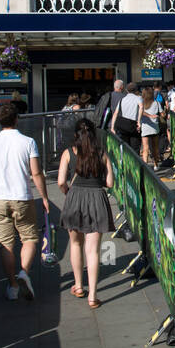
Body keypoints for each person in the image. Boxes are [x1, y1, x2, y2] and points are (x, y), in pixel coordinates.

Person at [0, 102, 51, 301]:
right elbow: (36, 173)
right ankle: (24, 272)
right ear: (17, 119)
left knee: (5, 245)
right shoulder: (28, 142)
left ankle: (12, 285)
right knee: (29, 238)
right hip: (22, 197)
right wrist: (44, 197)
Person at [57, 118, 115, 309]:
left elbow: (60, 182)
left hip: (75, 198)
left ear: (76, 135)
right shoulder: (102, 153)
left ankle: (79, 285)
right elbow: (110, 183)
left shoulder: (68, 153)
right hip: (97, 199)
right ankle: (93, 296)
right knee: (93, 250)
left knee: (75, 243)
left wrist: (68, 192)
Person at [111, 81, 142, 151]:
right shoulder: (138, 98)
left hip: (124, 126)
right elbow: (141, 107)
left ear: (127, 90)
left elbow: (115, 113)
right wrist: (139, 121)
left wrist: (112, 127)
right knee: (135, 148)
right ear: (136, 90)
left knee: (126, 148)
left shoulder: (122, 100)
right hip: (134, 125)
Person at [138, 85, 162, 163]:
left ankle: (145, 166)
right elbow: (162, 114)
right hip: (155, 128)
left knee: (145, 148)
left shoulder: (141, 103)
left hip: (145, 128)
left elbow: (140, 112)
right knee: (155, 147)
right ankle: (155, 164)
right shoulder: (157, 103)